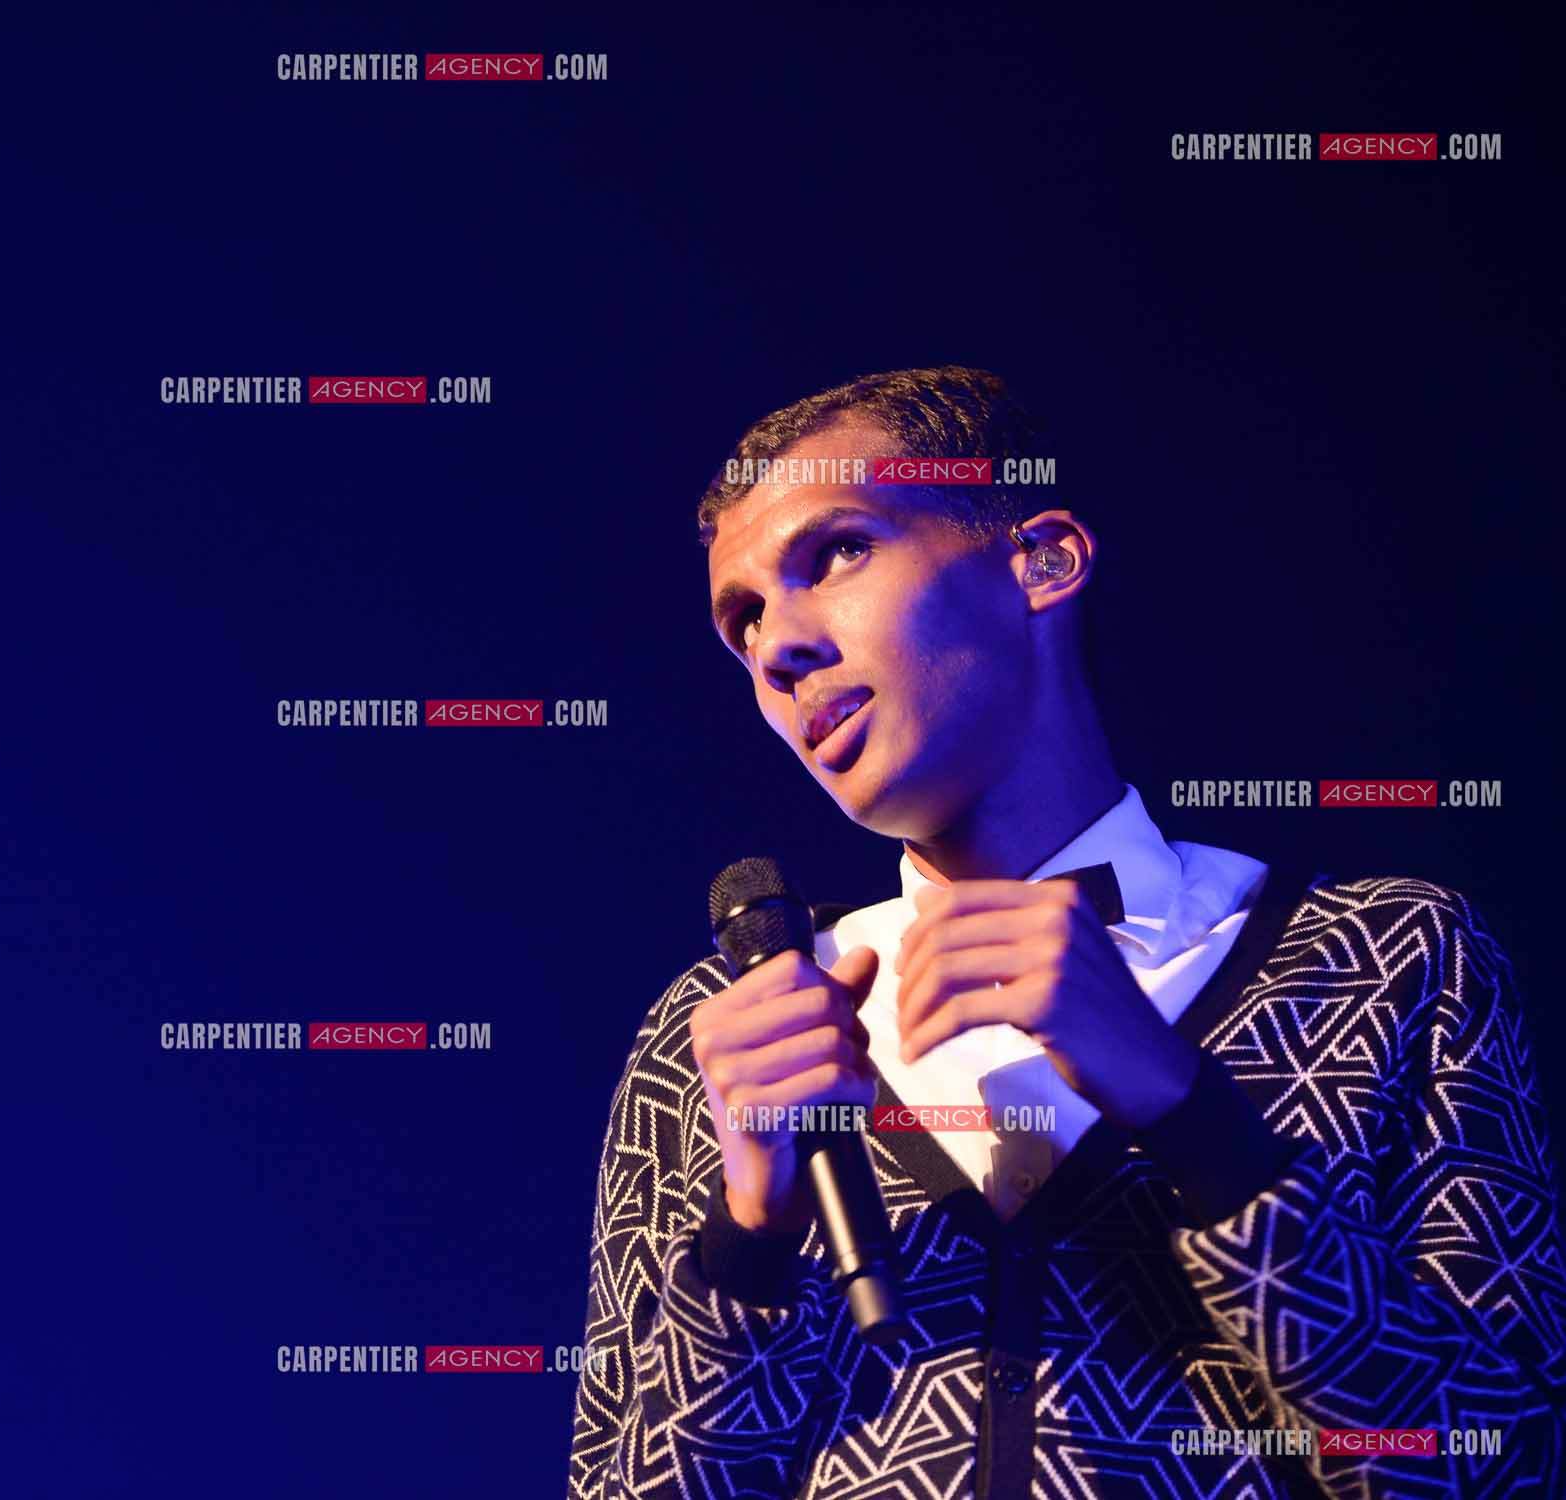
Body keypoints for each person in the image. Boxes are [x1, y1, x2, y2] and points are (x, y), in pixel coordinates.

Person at [568, 367, 1566, 1499]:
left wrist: (1185, 1107)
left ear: (1041, 561)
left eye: (835, 553)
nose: (775, 647)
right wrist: (751, 1237)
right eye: (741, 617)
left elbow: (1504, 1462)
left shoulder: (1385, 958)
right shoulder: (719, 1043)